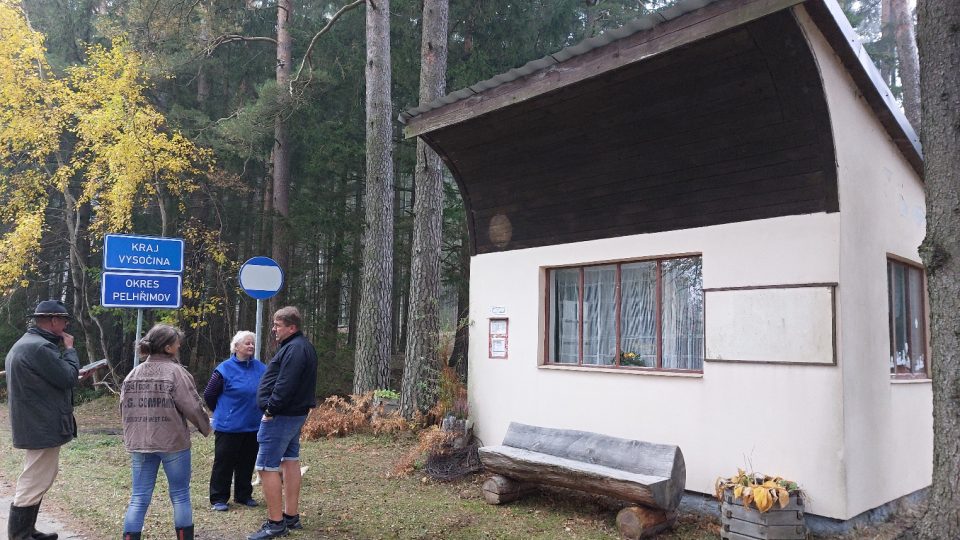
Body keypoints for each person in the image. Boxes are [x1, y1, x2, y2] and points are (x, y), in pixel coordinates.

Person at [120, 324, 211, 540]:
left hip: (140, 443)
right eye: (177, 342)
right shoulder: (176, 372)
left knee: (138, 498)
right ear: (169, 347)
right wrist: (206, 426)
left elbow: (123, 409)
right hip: (173, 443)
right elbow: (192, 405)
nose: (180, 345)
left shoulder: (133, 373)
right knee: (180, 495)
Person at [5, 300, 80, 540]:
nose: (67, 324)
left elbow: (51, 379)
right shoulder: (40, 348)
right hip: (41, 424)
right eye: (64, 320)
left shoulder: (26, 344)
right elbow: (68, 377)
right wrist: (69, 350)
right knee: (35, 478)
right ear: (54, 321)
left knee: (40, 475)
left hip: (35, 422)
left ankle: (28, 530)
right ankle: (20, 534)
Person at [247, 307, 318, 540]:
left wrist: (270, 410)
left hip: (281, 416)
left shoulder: (296, 349)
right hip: (292, 415)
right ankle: (290, 516)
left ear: (292, 327)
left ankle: (275, 524)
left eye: (278, 325)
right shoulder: (297, 347)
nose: (274, 329)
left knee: (266, 467)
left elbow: (286, 384)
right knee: (290, 460)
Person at [203, 330, 266, 511]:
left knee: (247, 462)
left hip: (253, 425)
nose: (251, 346)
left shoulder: (261, 368)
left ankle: (243, 495)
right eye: (247, 343)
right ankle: (219, 498)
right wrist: (222, 411)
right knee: (224, 462)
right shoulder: (224, 369)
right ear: (236, 347)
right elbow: (209, 394)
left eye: (252, 343)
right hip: (228, 426)